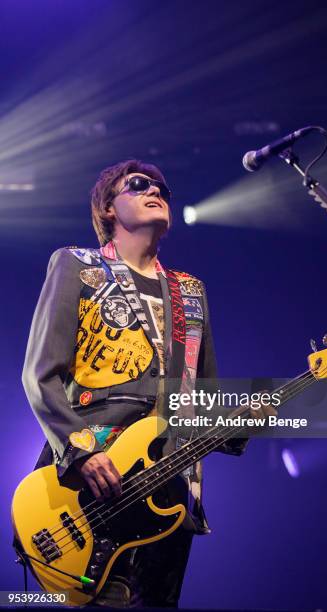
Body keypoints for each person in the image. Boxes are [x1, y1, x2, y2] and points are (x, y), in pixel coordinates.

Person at [22, 159, 274, 608]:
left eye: (162, 188)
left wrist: (249, 419)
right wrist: (80, 451)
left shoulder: (190, 291)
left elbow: (206, 403)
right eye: (138, 185)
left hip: (170, 491)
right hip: (93, 487)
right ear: (108, 210)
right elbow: (40, 374)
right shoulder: (75, 265)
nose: (155, 190)